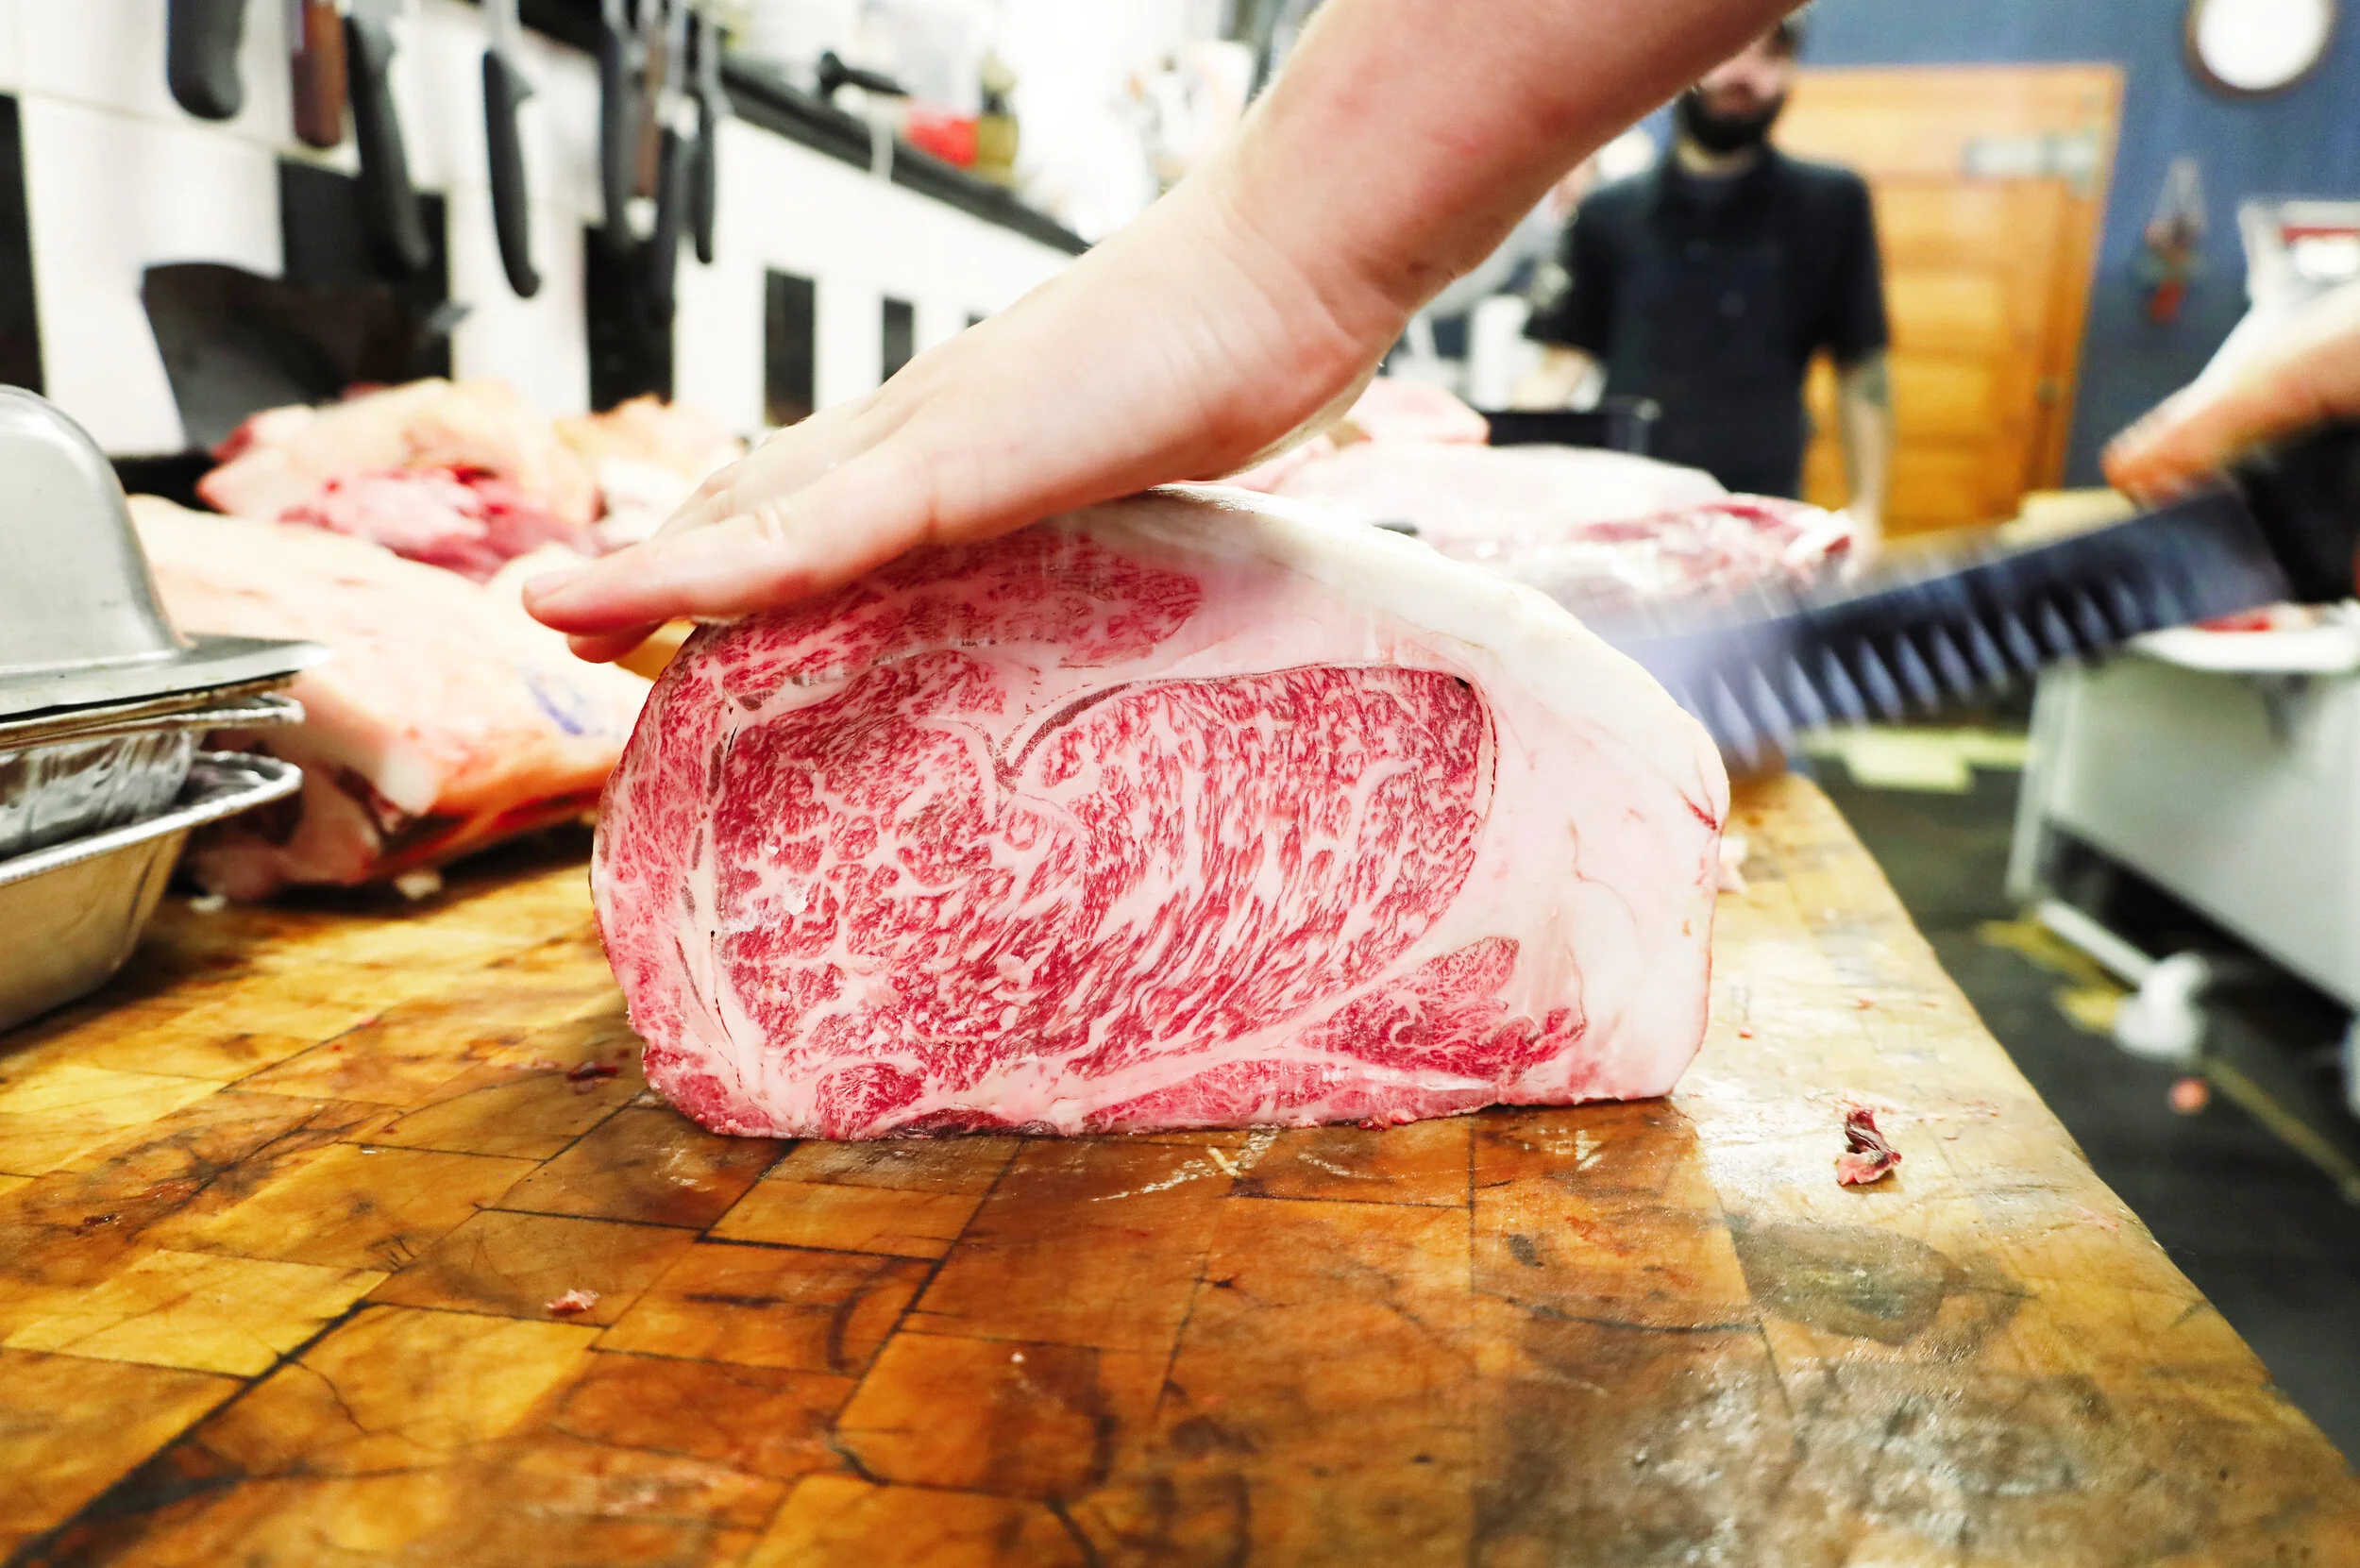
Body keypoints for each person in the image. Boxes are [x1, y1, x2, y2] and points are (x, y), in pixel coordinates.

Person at [523, 0, 2355, 662]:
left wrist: (1277, 249)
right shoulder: (1631, 202)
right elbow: (1560, 334)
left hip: (1756, 471)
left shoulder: (1838, 207)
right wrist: (1277, 251)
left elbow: (1863, 367)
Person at [1513, 18, 1893, 543]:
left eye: (1772, 55)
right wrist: (1496, 480)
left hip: (1765, 519)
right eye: (1733, 45)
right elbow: (1558, 370)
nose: (1747, 76)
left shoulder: (1831, 204)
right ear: (1685, 60)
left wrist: (1868, 513)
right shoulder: (1607, 213)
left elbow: (1863, 372)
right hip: (1628, 519)